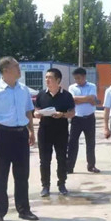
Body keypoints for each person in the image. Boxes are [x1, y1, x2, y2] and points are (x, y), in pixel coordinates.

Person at [0, 57, 39, 221]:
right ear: (5, 70)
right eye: (16, 66)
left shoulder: (23, 90)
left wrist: (31, 131)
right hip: (3, 136)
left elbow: (28, 112)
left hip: (21, 135)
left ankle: (24, 210)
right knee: (1, 177)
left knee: (22, 176)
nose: (19, 69)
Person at [34, 69, 76, 197]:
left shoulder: (67, 96)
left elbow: (72, 113)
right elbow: (36, 110)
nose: (47, 80)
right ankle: (45, 186)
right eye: (46, 77)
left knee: (61, 158)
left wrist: (62, 114)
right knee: (44, 160)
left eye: (50, 77)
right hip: (44, 131)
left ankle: (62, 184)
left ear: (58, 80)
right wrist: (37, 114)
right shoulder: (41, 94)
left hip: (61, 132)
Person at [67, 67, 100, 174]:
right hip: (76, 119)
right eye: (75, 78)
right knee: (72, 143)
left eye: (79, 78)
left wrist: (79, 99)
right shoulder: (72, 87)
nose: (77, 80)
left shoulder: (92, 86)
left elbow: (93, 99)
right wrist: (87, 99)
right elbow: (72, 100)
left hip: (89, 118)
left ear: (84, 77)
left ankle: (91, 166)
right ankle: (69, 167)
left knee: (90, 143)